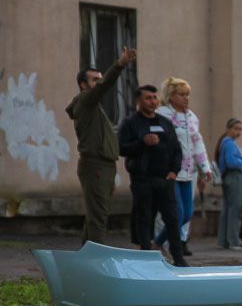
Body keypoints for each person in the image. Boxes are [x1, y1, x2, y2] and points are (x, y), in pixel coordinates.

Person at [66, 47, 136, 244]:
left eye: (99, 78)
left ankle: (84, 259)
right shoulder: (85, 101)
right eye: (93, 80)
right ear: (83, 85)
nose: (98, 82)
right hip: (95, 165)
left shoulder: (93, 107)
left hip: (103, 166)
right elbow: (104, 85)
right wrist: (120, 64)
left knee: (95, 216)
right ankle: (97, 261)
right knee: (98, 218)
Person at [119, 85, 187, 266]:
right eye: (148, 98)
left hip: (165, 179)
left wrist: (174, 171)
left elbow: (177, 149)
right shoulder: (131, 123)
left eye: (155, 97)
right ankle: (147, 258)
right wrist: (142, 142)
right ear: (139, 101)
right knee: (144, 218)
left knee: (173, 219)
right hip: (143, 179)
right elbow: (122, 148)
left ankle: (178, 258)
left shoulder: (165, 122)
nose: (152, 101)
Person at [153, 77, 212, 256]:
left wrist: (205, 167)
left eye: (188, 95)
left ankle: (157, 242)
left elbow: (198, 142)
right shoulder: (162, 114)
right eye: (182, 94)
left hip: (188, 171)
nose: (186, 98)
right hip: (170, 171)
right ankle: (166, 245)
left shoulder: (192, 117)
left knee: (187, 214)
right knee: (176, 212)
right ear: (171, 96)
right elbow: (158, 142)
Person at [215, 118, 242, 249]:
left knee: (227, 209)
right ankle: (234, 241)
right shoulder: (229, 144)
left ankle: (224, 241)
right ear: (228, 129)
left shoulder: (225, 142)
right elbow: (231, 162)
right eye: (236, 129)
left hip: (228, 178)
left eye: (240, 130)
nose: (238, 132)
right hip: (234, 177)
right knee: (236, 209)